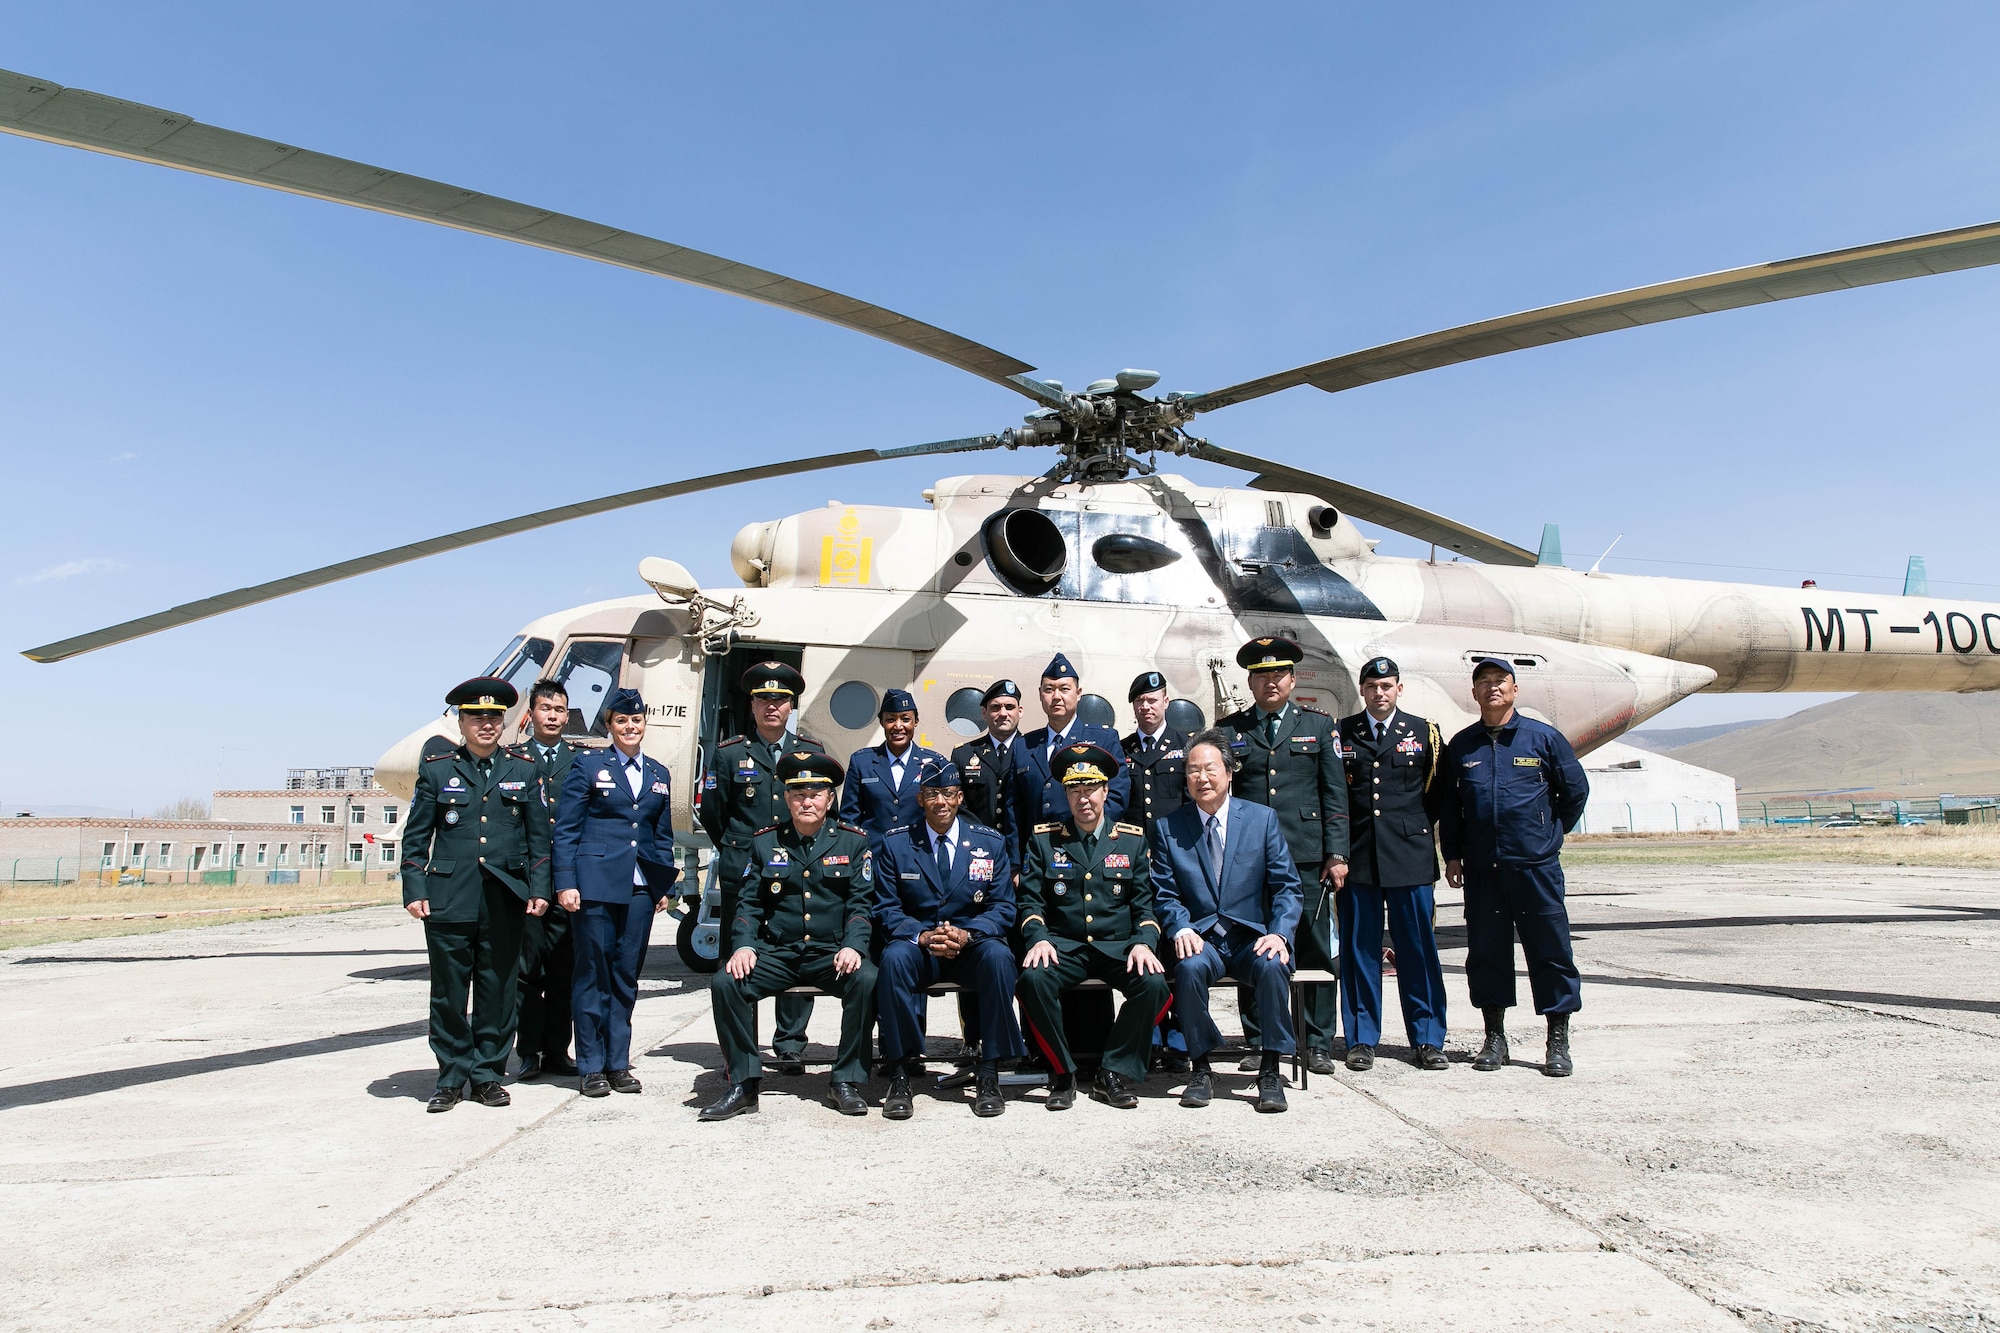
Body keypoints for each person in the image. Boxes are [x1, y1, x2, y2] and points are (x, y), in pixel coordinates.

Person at [400, 677, 551, 1114]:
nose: (485, 724)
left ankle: (487, 1074)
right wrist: (414, 888)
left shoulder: (524, 769)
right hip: (448, 896)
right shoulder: (437, 768)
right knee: (448, 991)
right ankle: (450, 1077)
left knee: (498, 989)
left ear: (503, 722)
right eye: (476, 717)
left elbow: (538, 839)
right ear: (462, 722)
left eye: (493, 717)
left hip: (505, 895)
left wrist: (539, 888)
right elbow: (415, 840)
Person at [702, 751, 878, 1121]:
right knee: (725, 983)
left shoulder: (853, 843)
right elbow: (748, 904)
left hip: (830, 953)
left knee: (867, 979)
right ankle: (744, 1083)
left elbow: (861, 906)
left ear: (830, 799)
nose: (807, 801)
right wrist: (745, 945)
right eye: (798, 794)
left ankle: (845, 1080)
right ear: (786, 798)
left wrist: (853, 945)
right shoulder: (765, 842)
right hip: (778, 953)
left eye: (816, 793)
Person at [1436, 658, 1589, 1077]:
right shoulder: (1462, 746)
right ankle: (1494, 1038)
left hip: (1535, 868)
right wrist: (1453, 854)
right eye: (1483, 682)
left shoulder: (1543, 739)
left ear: (1515, 689)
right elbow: (1451, 809)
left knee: (1551, 951)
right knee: (1486, 952)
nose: (1492, 688)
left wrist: (1548, 836)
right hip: (1483, 870)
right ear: (1474, 693)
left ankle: (1557, 1041)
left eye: (1499, 681)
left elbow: (1575, 792)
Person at [1149, 729, 1303, 1113]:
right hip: (1201, 938)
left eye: (1210, 769)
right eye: (1193, 771)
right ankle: (1200, 1068)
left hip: (1250, 936)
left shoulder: (1261, 819)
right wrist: (1180, 925)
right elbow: (1164, 893)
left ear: (1229, 772)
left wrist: (1280, 934)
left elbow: (1287, 887)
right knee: (1187, 968)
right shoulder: (1170, 828)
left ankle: (1270, 1069)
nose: (1202, 778)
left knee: (1272, 965)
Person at [1217, 635, 1347, 1075]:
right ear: (1250, 683)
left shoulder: (1319, 726)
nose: (1270, 682)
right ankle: (1259, 1039)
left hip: (1306, 855)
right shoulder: (1232, 732)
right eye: (1261, 675)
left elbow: (1334, 796)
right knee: (1254, 945)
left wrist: (1337, 854)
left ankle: (1317, 1040)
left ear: (1293, 679)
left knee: (1312, 947)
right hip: (1249, 860)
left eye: (1278, 674)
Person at [1015, 742, 1169, 1111]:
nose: (1083, 798)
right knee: (1032, 981)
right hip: (1064, 946)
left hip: (1116, 947)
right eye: (1074, 789)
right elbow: (1031, 901)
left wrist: (1143, 943)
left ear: (1106, 791)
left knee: (1154, 985)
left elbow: (1144, 906)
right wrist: (1038, 937)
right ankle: (1062, 1073)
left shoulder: (1131, 841)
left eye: (1090, 789)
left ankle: (1111, 1072)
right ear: (1065, 793)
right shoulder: (1045, 839)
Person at [873, 758, 1022, 1119]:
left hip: (970, 944)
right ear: (921, 799)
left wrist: (969, 934)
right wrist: (920, 935)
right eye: (932, 794)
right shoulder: (897, 845)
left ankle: (988, 1072)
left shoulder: (990, 843)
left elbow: (1003, 907)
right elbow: (886, 907)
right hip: (920, 944)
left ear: (959, 798)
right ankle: (900, 1071)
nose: (941, 802)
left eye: (949, 794)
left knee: (1000, 959)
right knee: (892, 961)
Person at [697, 661, 826, 1075]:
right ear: (752, 705)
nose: (772, 707)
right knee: (738, 957)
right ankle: (741, 1049)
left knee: (797, 948)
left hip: (796, 873)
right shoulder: (729, 753)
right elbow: (715, 815)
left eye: (781, 700)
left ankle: (790, 1045)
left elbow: (822, 813)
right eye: (763, 699)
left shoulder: (811, 752)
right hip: (745, 873)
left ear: (791, 706)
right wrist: (742, 853)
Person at [552, 688, 678, 1097]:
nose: (630, 727)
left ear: (644, 725)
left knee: (626, 976)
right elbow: (567, 828)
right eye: (622, 721)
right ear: (609, 726)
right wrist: (565, 882)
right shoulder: (588, 765)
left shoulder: (659, 773)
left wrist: (662, 885)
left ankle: (618, 1062)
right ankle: (590, 1064)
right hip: (594, 885)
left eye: (636, 721)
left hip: (640, 888)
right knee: (592, 974)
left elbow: (661, 836)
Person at [1334, 657, 1448, 1072]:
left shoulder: (1424, 733)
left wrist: (1413, 831)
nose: (1379, 693)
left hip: (1410, 856)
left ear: (1399, 689)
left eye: (1387, 686)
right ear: (1362, 691)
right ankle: (1362, 1038)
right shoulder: (1344, 732)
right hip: (1360, 857)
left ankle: (1428, 1038)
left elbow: (1436, 795)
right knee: (1359, 950)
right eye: (1372, 686)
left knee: (1417, 950)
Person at [511, 680, 578, 1082]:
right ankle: (529, 1052)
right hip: (527, 881)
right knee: (527, 972)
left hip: (567, 881)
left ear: (567, 716)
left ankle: (558, 1050)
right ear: (531, 714)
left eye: (559, 710)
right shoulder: (514, 760)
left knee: (564, 970)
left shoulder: (582, 760)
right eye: (545, 708)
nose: (552, 715)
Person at [1004, 653, 1131, 855]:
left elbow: (1117, 797)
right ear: (1039, 694)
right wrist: (1016, 864)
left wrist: (1084, 836)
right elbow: (1013, 810)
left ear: (1078, 693)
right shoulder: (1023, 745)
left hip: (1087, 852)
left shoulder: (1104, 739)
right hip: (1037, 857)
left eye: (1064, 689)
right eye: (1049, 690)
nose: (1056, 697)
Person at [841, 688, 945, 841]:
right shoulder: (862, 762)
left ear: (916, 721)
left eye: (905, 719)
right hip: (874, 855)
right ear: (881, 722)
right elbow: (849, 817)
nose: (898, 726)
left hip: (918, 853)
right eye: (890, 719)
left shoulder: (935, 763)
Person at [1120, 671, 1189, 834]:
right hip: (1134, 843)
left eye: (1152, 701)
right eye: (1139, 701)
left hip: (1175, 838)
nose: (1145, 707)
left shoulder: (1185, 745)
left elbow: (1191, 801)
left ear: (1165, 702)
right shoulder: (1122, 748)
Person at [950, 679, 1022, 831]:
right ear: (984, 713)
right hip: (978, 843)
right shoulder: (963, 754)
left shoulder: (1033, 751)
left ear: (1020, 711)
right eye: (996, 707)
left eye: (1009, 707)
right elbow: (958, 805)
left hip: (1021, 847)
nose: (1003, 713)